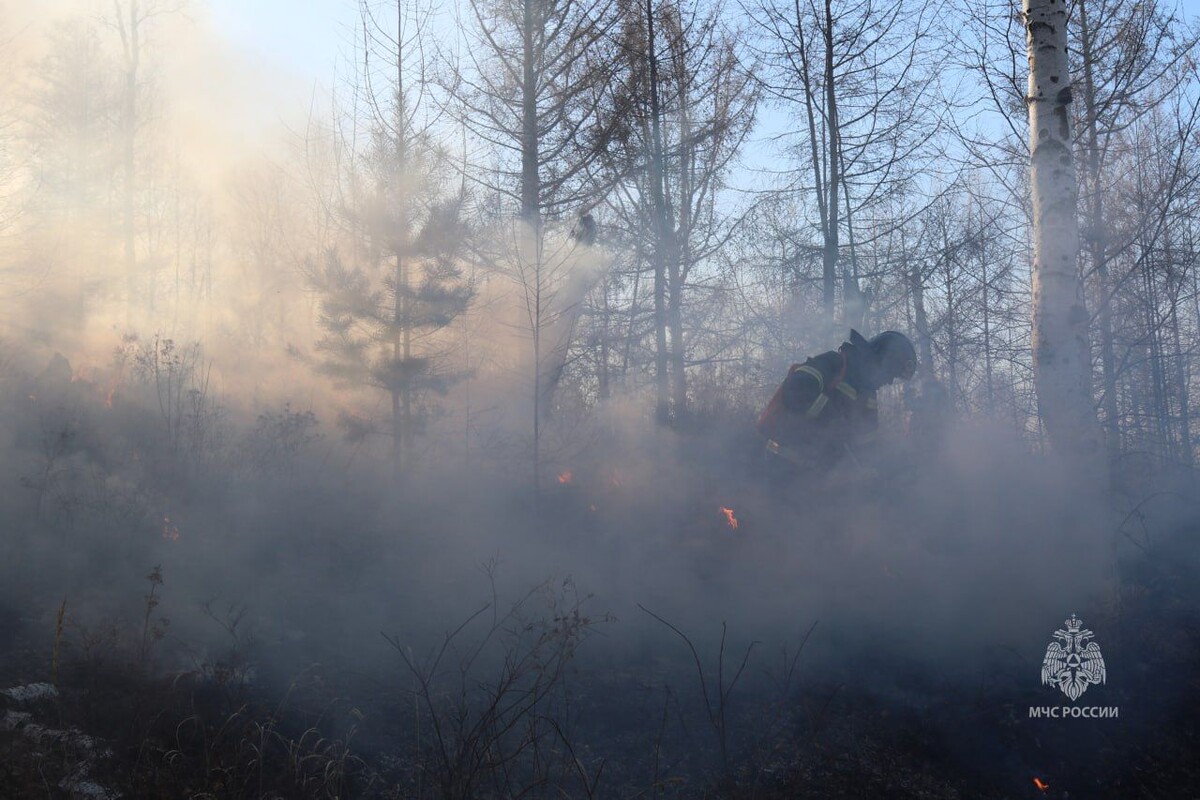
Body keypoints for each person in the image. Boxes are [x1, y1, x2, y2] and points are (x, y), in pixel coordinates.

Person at [757, 329, 917, 479]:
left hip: (816, 478)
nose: (889, 381)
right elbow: (796, 391)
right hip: (782, 465)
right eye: (890, 374)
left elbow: (867, 445)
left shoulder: (869, 397)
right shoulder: (834, 363)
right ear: (881, 362)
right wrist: (831, 419)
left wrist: (880, 471)